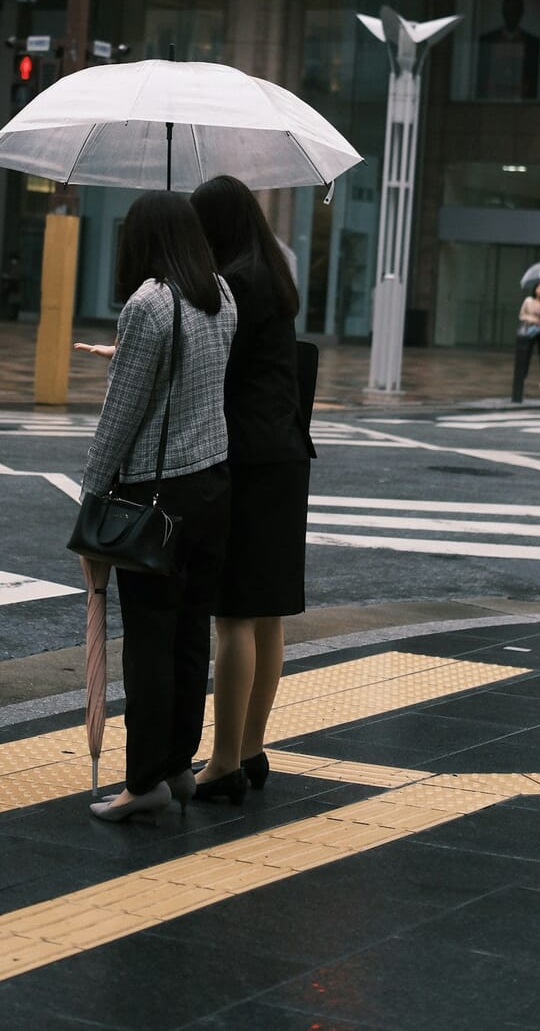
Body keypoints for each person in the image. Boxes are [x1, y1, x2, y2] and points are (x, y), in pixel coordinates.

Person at [81, 190, 236, 825]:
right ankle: (177, 764)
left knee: (148, 640)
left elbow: (122, 415)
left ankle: (142, 780)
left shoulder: (148, 304)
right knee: (189, 634)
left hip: (157, 493)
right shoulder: (221, 294)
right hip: (212, 485)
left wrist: (91, 496)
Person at [190, 175, 313, 803]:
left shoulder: (230, 283)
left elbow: (210, 365)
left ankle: (221, 763)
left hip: (245, 460)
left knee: (231, 615)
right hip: (287, 457)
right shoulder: (277, 276)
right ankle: (251, 747)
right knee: (265, 616)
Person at [476, 0, 540, 101]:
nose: (511, 14)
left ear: (521, 13)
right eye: (508, 10)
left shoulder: (534, 43)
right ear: (503, 12)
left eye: (515, 10)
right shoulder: (486, 40)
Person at [518, 279, 540, 382]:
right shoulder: (528, 300)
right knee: (526, 353)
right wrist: (532, 319)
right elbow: (521, 315)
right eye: (539, 288)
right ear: (535, 289)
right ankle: (522, 375)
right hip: (530, 330)